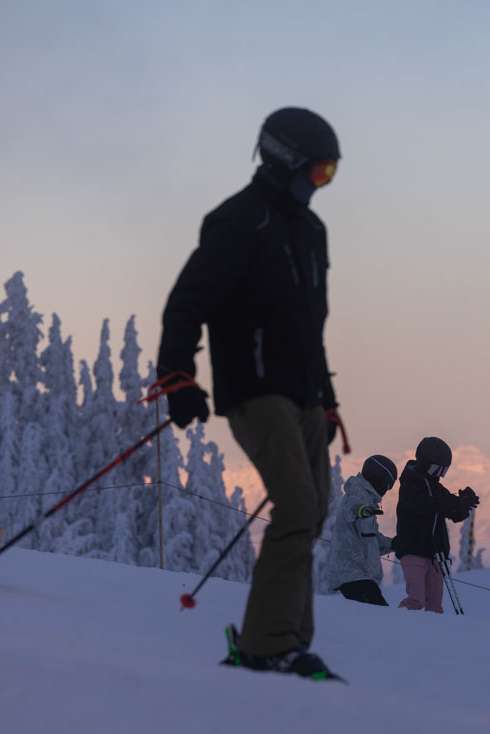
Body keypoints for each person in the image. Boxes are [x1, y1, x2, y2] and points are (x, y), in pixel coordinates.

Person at [156, 107, 343, 679]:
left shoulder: (311, 232)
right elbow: (188, 301)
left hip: (305, 394)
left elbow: (309, 324)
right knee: (297, 506)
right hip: (255, 389)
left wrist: (328, 395)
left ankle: (289, 642)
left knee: (311, 516)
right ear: (285, 160)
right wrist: (178, 377)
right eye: (319, 173)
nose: (322, 186)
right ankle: (268, 645)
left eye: (330, 176)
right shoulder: (240, 220)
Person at [394, 437, 479, 612]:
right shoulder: (410, 485)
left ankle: (432, 637)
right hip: (413, 550)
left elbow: (453, 513)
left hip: (435, 556)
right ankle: (398, 627)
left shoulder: (436, 488)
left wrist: (464, 504)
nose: (439, 474)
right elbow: (426, 505)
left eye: (444, 470)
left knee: (434, 606)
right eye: (436, 468)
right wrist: (454, 503)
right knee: (416, 601)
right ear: (424, 463)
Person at [328, 455, 398, 606]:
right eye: (387, 485)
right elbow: (351, 507)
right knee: (380, 619)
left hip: (361, 575)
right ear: (378, 479)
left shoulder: (368, 501)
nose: (386, 490)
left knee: (376, 620)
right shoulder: (357, 494)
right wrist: (360, 510)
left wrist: (394, 544)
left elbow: (371, 541)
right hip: (352, 574)